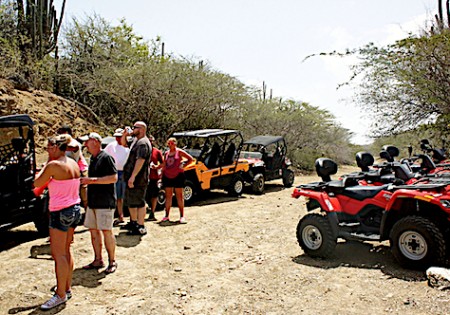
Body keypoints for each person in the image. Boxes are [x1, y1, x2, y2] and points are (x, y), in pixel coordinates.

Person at [34, 136, 82, 310]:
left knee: (58, 254)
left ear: (55, 147)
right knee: (66, 251)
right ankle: (66, 288)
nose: (47, 151)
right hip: (74, 209)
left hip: (60, 211)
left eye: (48, 148)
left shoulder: (54, 165)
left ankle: (60, 294)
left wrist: (46, 164)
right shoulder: (73, 163)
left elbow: (37, 183)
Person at [80, 132, 118, 273]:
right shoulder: (93, 159)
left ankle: (112, 261)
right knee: (93, 232)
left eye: (87, 142)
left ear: (95, 142)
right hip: (93, 202)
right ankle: (98, 259)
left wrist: (92, 181)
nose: (85, 145)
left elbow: (114, 178)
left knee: (107, 231)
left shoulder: (106, 158)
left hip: (105, 202)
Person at [123, 121, 152, 235]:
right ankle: (133, 222)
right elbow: (124, 144)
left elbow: (140, 161)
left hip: (139, 179)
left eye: (135, 127)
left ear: (141, 129)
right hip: (133, 178)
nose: (132, 129)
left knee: (139, 202)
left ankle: (140, 225)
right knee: (132, 201)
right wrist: (125, 135)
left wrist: (133, 177)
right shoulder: (136, 141)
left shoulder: (143, 143)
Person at [161, 137, 194, 224]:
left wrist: (183, 165)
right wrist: (161, 175)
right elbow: (164, 164)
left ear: (175, 143)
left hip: (178, 176)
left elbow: (190, 159)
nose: (170, 145)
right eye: (168, 143)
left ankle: (182, 216)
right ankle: (166, 215)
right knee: (168, 196)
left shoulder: (179, 152)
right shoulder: (166, 153)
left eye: (172, 143)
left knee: (179, 196)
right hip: (167, 176)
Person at [56, 124, 89, 210]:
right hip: (67, 169)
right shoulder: (61, 145)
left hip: (79, 169)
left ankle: (87, 210)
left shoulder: (74, 143)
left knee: (83, 190)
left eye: (62, 133)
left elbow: (74, 148)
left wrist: (59, 146)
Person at [104, 128, 130, 226]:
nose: (118, 139)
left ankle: (126, 216)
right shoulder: (111, 146)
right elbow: (104, 155)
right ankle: (119, 216)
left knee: (123, 196)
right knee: (115, 196)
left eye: (119, 137)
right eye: (116, 137)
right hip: (114, 172)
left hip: (125, 173)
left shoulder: (127, 147)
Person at [145, 135, 164, 221]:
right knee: (144, 196)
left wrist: (157, 167)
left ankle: (152, 213)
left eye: (151, 141)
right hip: (143, 178)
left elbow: (163, 163)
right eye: (149, 141)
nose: (150, 142)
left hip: (154, 177)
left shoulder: (157, 152)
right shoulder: (142, 151)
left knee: (154, 195)